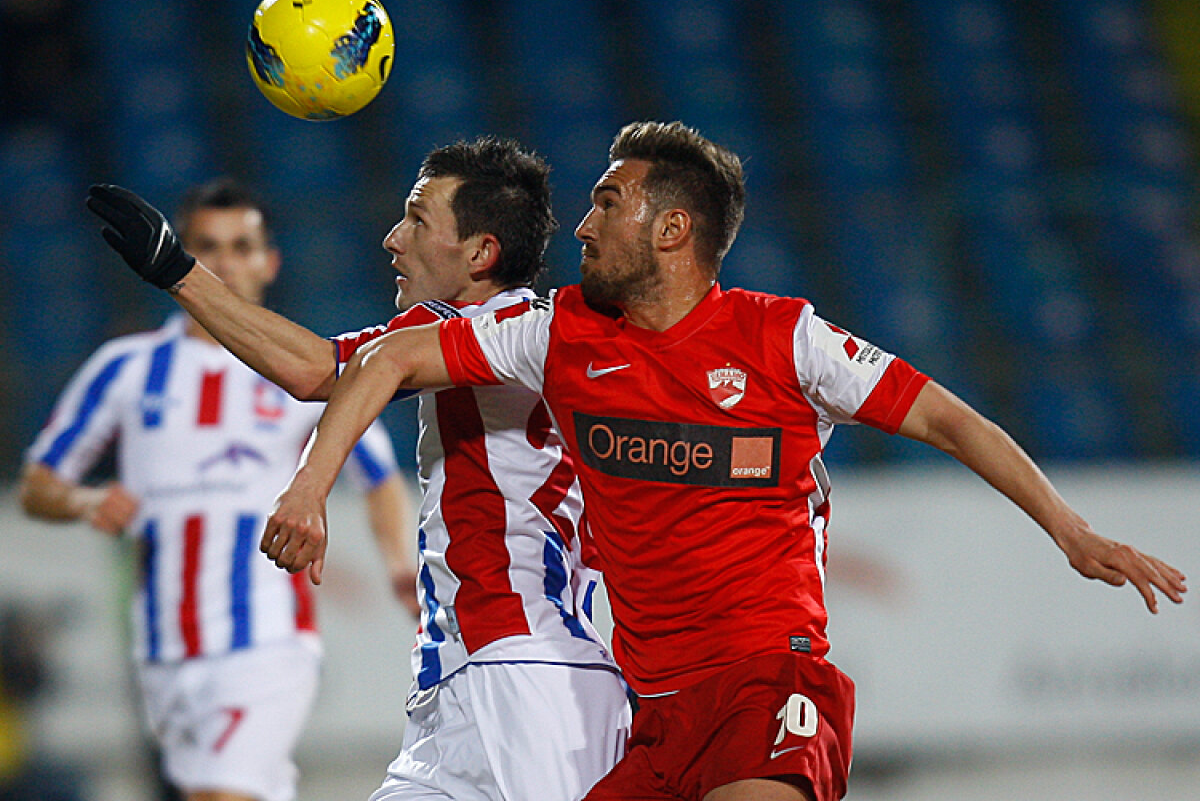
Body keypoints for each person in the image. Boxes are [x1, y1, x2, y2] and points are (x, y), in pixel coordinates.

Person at [252, 121, 1186, 801]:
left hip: (767, 683)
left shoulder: (786, 340)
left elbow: (949, 420)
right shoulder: (561, 335)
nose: (581, 229)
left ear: (671, 230)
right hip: (652, 720)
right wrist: (311, 486)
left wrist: (1072, 532)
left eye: (607, 204)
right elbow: (386, 361)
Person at [84, 138, 631, 801]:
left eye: (418, 220)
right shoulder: (488, 333)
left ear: (480, 254)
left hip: (528, 674)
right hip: (459, 682)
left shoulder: (503, 332)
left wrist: (178, 271)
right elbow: (325, 369)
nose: (392, 239)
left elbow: (318, 371)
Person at [21, 177, 415, 801]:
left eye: (242, 246)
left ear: (270, 262)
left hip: (263, 640)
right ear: (183, 257)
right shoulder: (126, 369)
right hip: (163, 650)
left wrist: (398, 565)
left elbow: (380, 478)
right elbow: (38, 484)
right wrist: (83, 500)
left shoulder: (307, 373)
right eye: (207, 247)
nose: (226, 263)